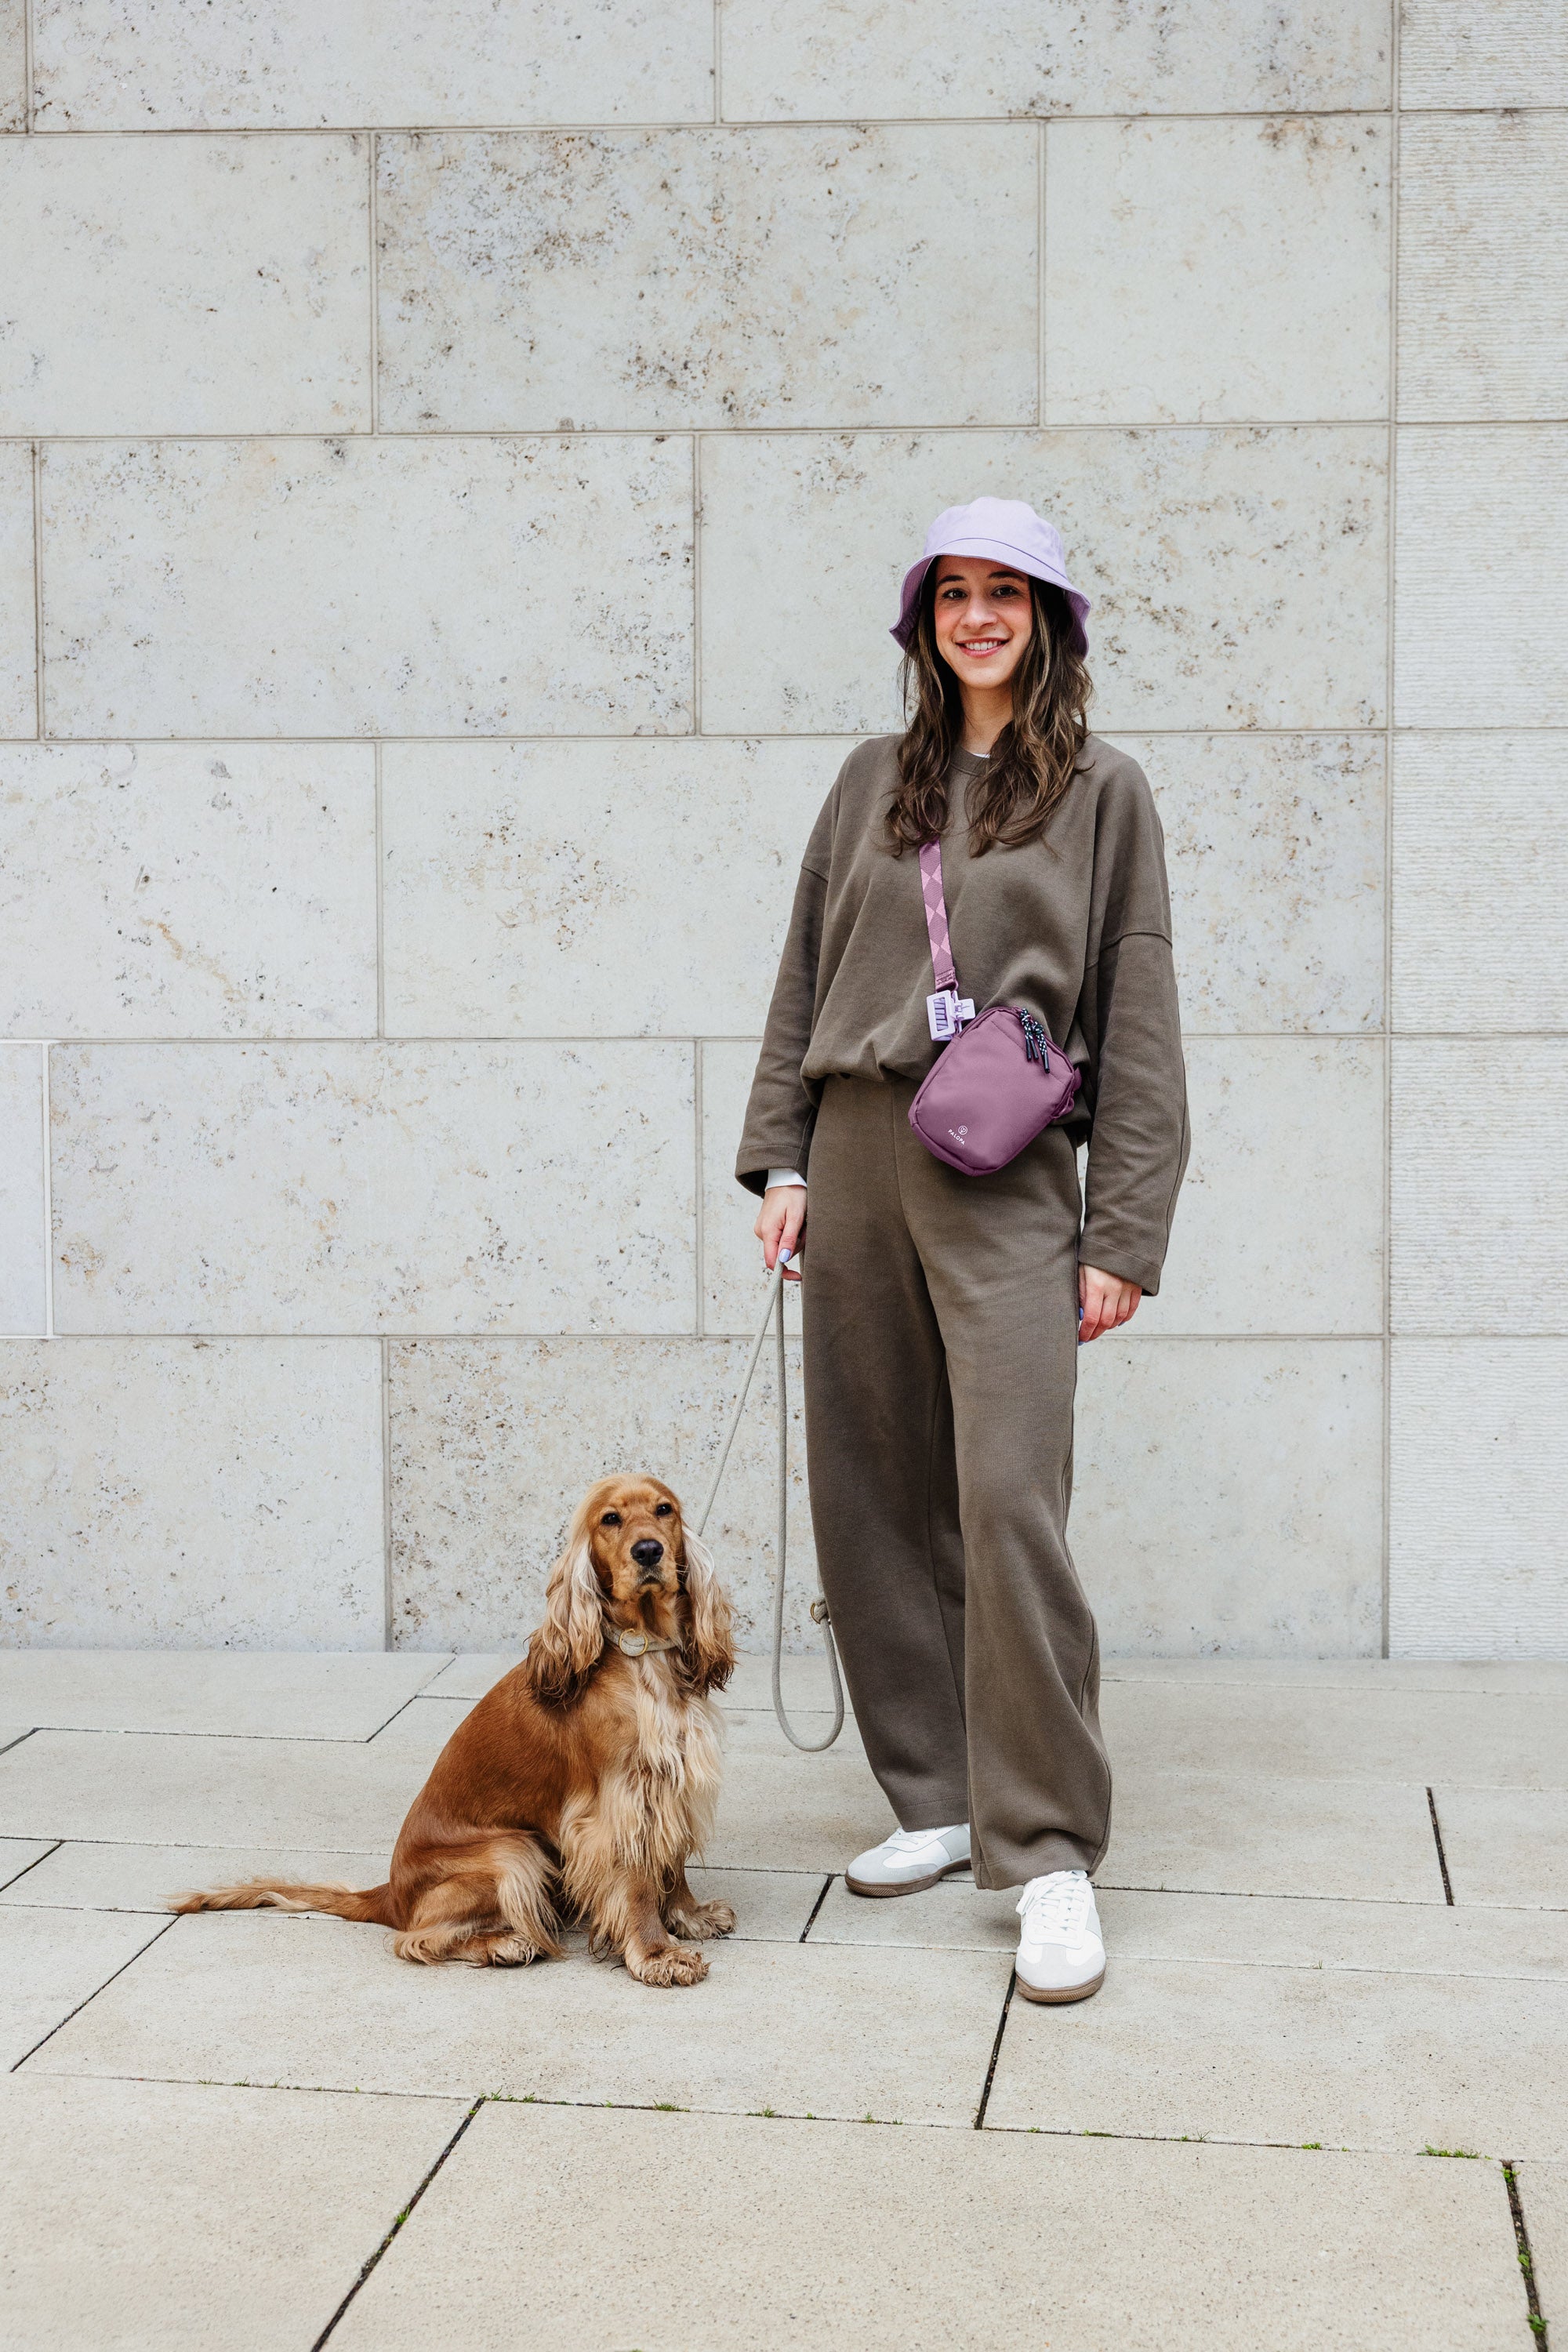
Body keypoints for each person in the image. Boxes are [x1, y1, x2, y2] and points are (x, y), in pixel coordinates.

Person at [735, 497, 1189, 2004]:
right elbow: (804, 973)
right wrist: (783, 1159)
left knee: (1005, 1499)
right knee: (869, 1486)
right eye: (954, 595)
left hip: (1004, 1170)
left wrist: (1120, 1229)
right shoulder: (874, 780)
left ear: (1049, 619)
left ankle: (1048, 1850)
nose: (978, 617)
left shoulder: (1103, 793)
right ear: (923, 621)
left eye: (1007, 594)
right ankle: (932, 1796)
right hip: (860, 1151)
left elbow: (1139, 1016)